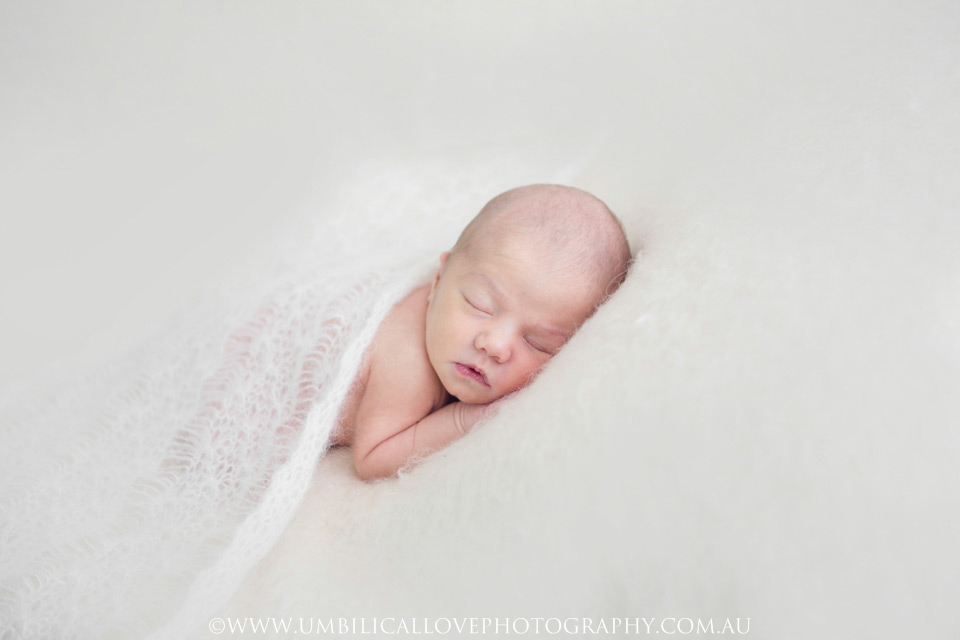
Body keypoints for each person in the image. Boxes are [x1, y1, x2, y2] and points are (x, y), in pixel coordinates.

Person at [332, 184, 632, 480]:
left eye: (537, 343)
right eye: (480, 306)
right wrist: (462, 421)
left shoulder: (453, 332)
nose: (496, 346)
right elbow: (372, 458)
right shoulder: (408, 357)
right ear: (438, 280)